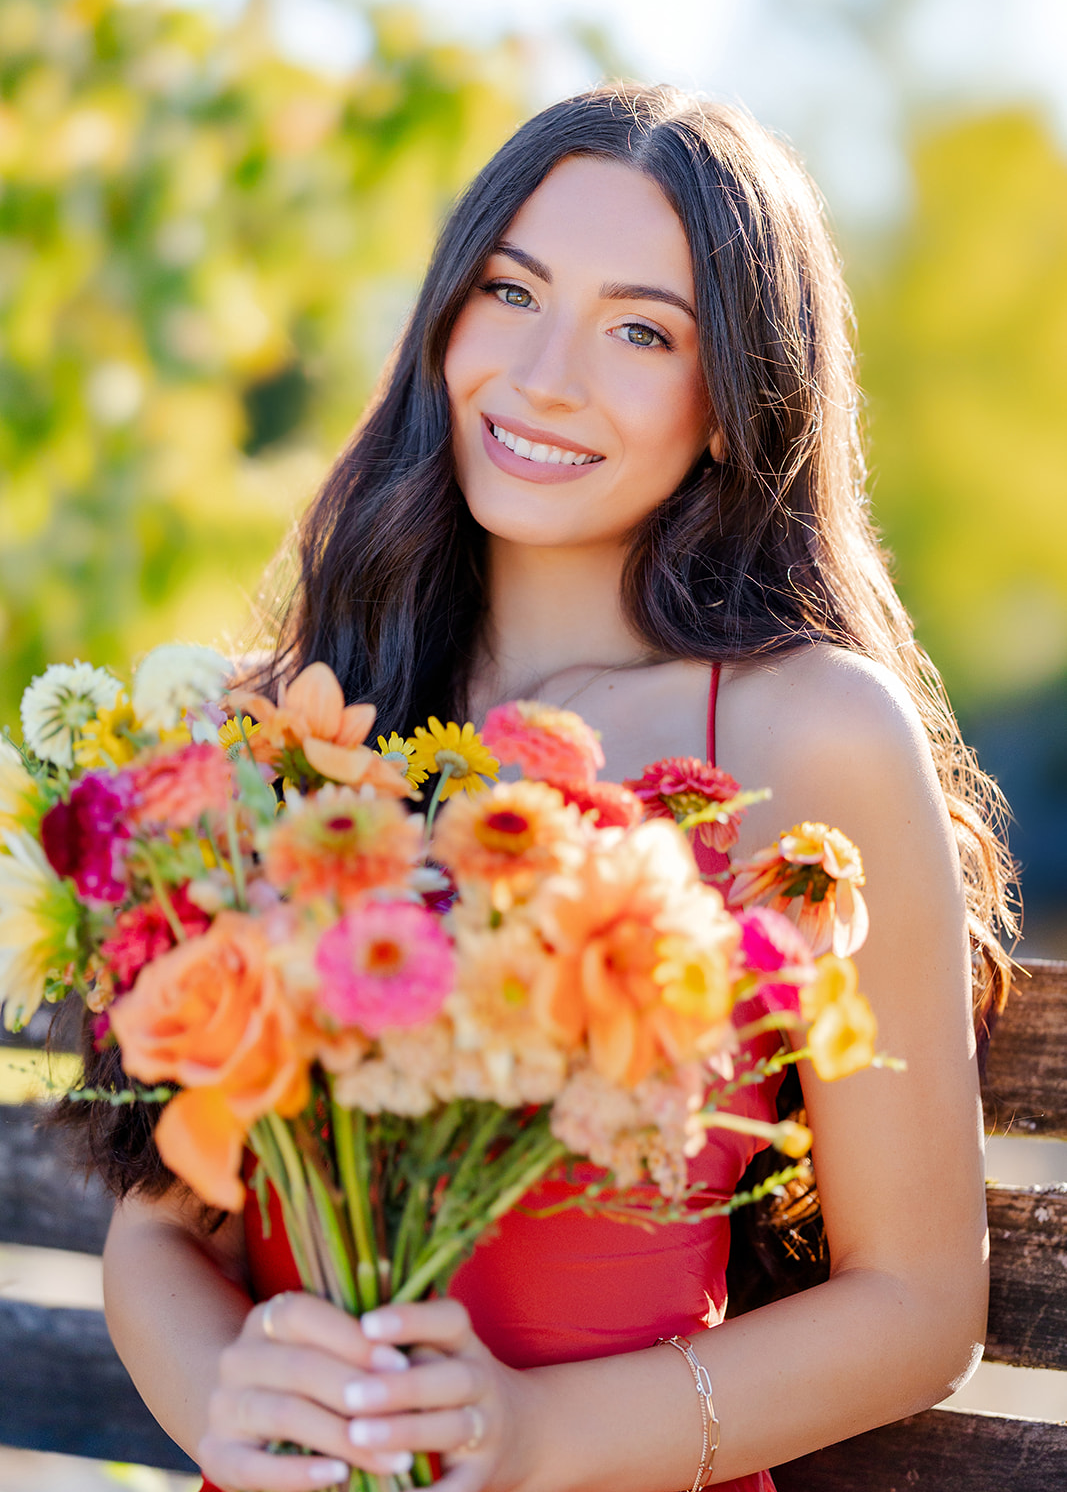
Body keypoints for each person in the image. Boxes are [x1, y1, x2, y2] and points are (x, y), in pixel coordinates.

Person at [89, 84, 1014, 1492]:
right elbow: (163, 1234)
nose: (544, 374)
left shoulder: (812, 736)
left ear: (734, 407)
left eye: (644, 330)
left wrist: (531, 1442)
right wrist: (232, 1392)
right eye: (511, 292)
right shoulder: (295, 728)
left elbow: (920, 1307)